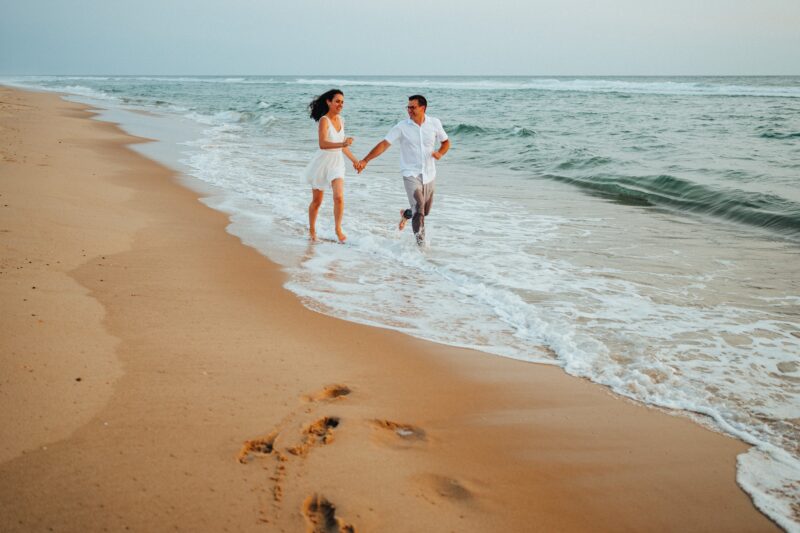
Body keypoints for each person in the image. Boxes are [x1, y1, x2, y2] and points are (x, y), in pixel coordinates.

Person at [356, 95, 450, 245]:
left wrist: (440, 153)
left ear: (423, 108)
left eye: (413, 107)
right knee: (419, 211)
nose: (409, 110)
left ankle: (406, 214)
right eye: (408, 107)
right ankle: (421, 247)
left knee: (424, 211)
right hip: (410, 174)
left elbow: (446, 142)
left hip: (429, 174)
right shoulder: (401, 127)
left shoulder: (434, 123)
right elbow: (384, 144)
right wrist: (365, 160)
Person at [303, 89, 359, 243]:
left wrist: (355, 160)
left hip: (337, 163)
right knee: (317, 201)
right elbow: (322, 144)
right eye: (337, 101)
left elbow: (343, 146)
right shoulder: (324, 121)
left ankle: (338, 228)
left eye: (342, 102)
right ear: (329, 102)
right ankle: (312, 229)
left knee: (339, 197)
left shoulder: (341, 120)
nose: (340, 104)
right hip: (322, 163)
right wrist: (342, 143)